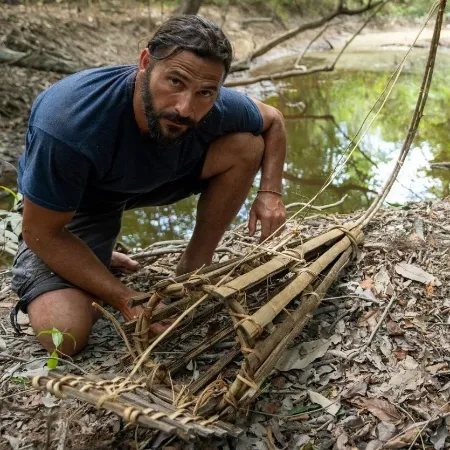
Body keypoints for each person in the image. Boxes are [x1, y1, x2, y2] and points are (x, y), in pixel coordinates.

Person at [11, 15, 287, 356]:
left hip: (156, 180)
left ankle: (195, 263)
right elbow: (41, 232)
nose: (186, 108)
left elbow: (273, 120)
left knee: (247, 145)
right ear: (145, 64)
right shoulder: (69, 122)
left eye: (205, 92)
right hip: (79, 206)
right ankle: (90, 255)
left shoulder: (211, 104)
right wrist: (124, 298)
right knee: (64, 337)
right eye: (174, 81)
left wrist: (270, 192)